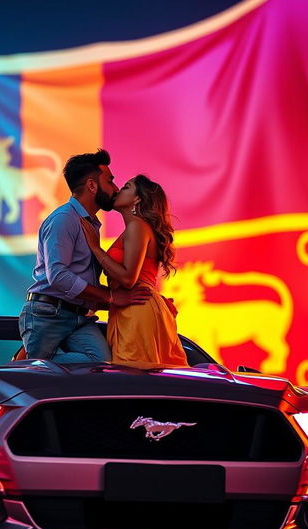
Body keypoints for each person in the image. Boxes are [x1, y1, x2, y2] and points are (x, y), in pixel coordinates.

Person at [19, 149, 150, 362]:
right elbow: (59, 276)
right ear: (91, 185)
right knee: (39, 374)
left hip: (78, 316)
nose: (115, 189)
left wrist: (148, 300)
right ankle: (26, 365)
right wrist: (110, 297)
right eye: (110, 181)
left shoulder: (89, 224)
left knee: (101, 364)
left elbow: (81, 279)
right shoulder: (64, 219)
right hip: (48, 314)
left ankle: (29, 363)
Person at [79, 174, 188, 369]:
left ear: (138, 199)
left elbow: (129, 278)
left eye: (127, 187)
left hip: (137, 309)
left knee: (133, 375)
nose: (119, 190)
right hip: (133, 306)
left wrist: (96, 249)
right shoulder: (136, 228)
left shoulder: (137, 226)